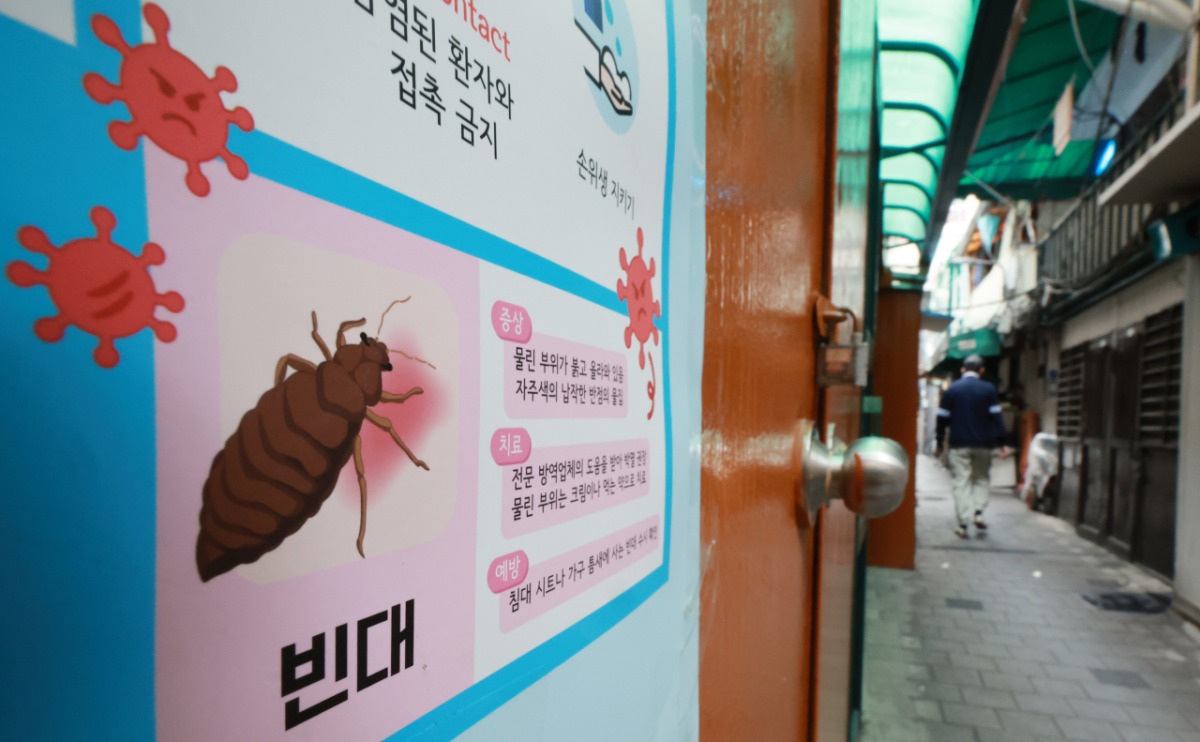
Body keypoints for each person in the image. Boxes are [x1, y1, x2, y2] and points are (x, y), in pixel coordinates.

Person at [935, 355, 1011, 538]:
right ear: (982, 371)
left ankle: (963, 523)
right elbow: (996, 418)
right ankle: (978, 512)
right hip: (984, 444)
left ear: (962, 370)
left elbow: (942, 419)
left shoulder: (952, 390)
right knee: (981, 478)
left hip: (959, 444)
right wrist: (1002, 443)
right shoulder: (989, 390)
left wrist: (939, 443)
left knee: (960, 483)